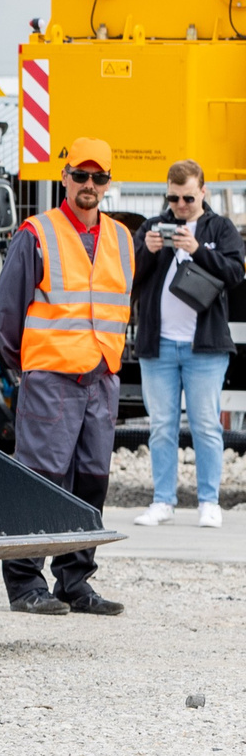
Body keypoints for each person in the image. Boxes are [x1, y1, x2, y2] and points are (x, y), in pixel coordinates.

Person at [0, 137, 131, 616]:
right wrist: (28, 366)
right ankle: (25, 582)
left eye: (98, 178)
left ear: (107, 185)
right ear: (65, 178)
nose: (88, 185)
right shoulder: (36, 233)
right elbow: (7, 313)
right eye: (80, 176)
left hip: (101, 378)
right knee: (40, 478)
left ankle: (75, 581)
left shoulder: (121, 238)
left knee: (92, 481)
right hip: (51, 378)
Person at [131, 159, 240, 527]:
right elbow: (128, 276)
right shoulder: (152, 227)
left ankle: (209, 501)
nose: (180, 206)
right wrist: (145, 249)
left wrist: (197, 249)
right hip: (158, 346)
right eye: (173, 198)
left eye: (188, 198)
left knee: (206, 424)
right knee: (161, 425)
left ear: (203, 192)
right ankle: (163, 501)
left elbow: (236, 272)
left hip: (204, 347)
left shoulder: (220, 227)